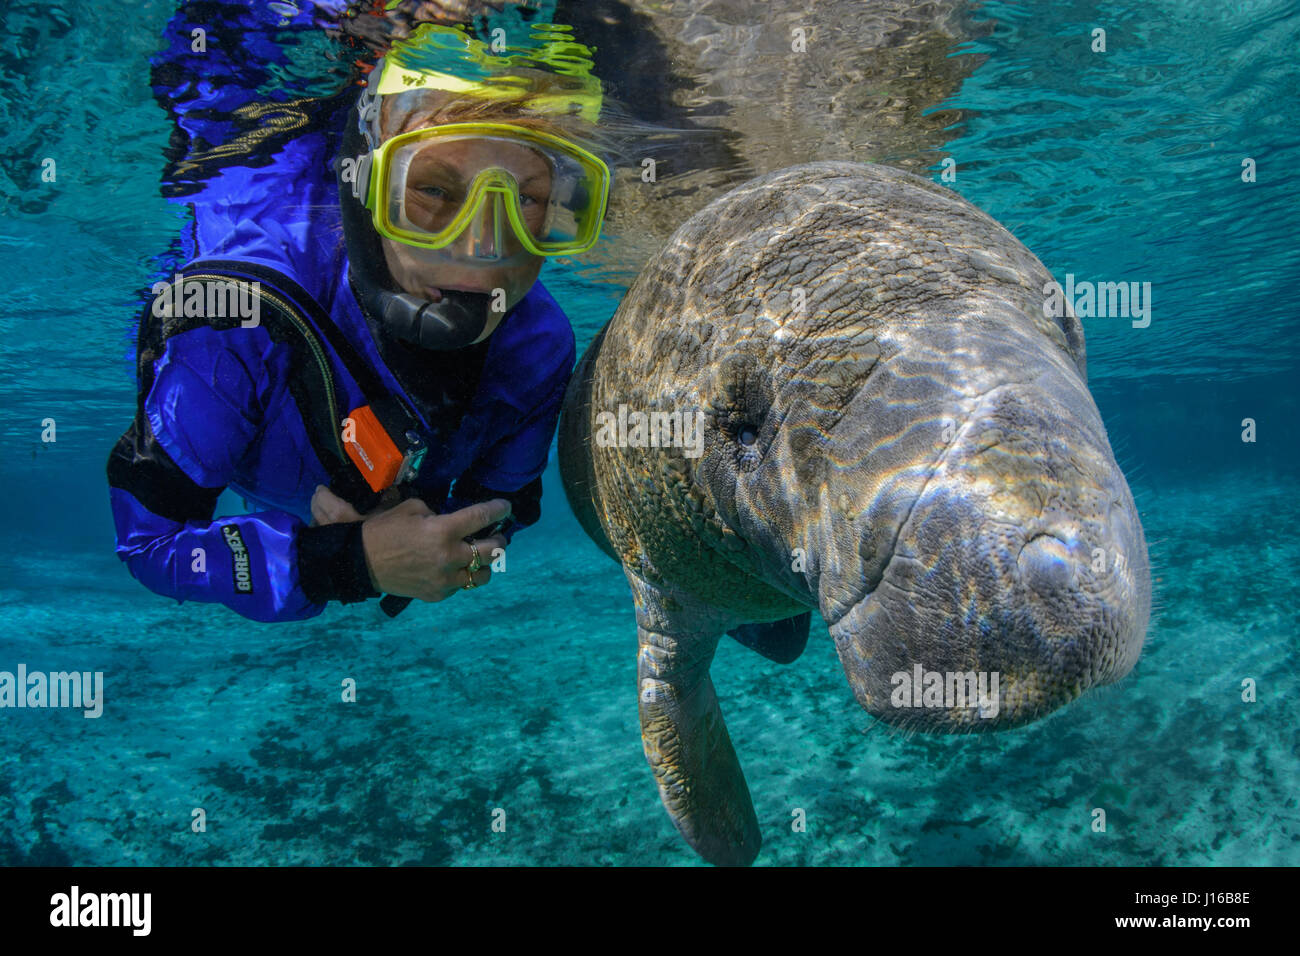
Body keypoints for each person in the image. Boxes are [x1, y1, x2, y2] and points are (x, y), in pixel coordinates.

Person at [106, 8, 613, 623]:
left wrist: (448, 549)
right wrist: (347, 561)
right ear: (366, 191)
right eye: (432, 192)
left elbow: (500, 508)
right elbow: (151, 546)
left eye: (527, 199)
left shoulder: (539, 344)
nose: (483, 245)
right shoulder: (234, 325)